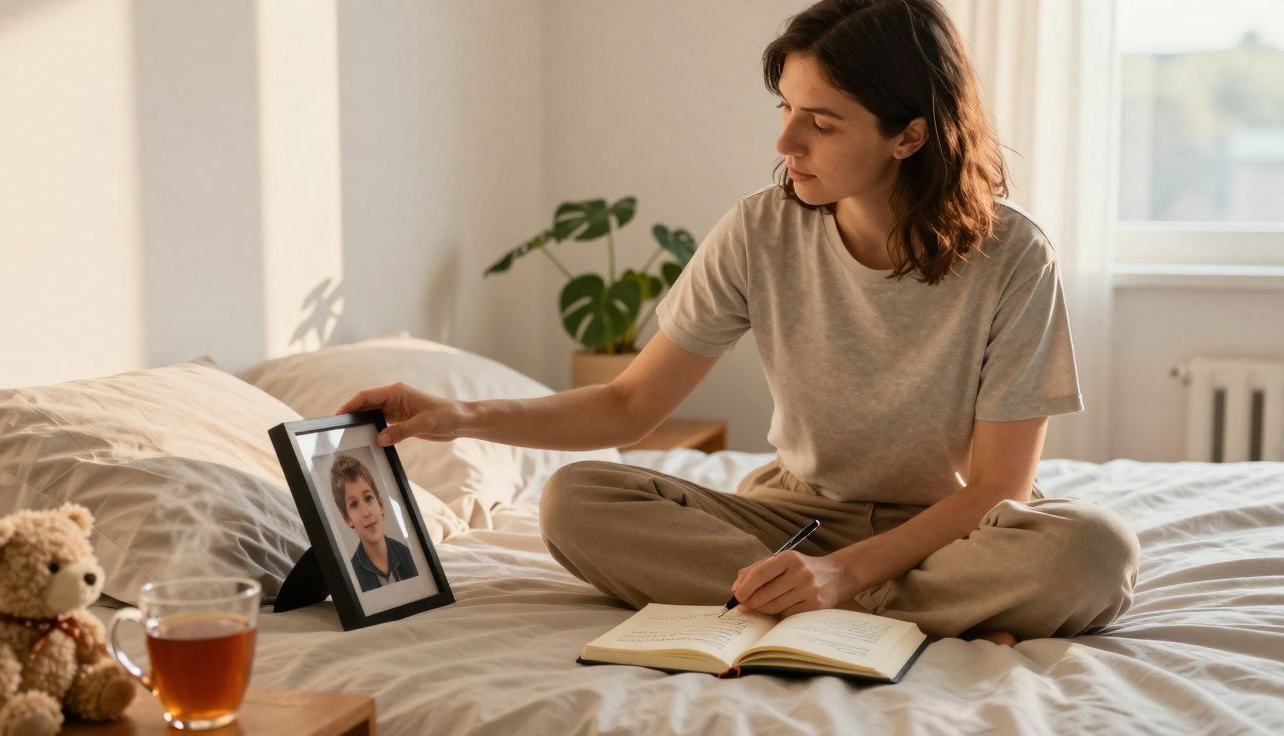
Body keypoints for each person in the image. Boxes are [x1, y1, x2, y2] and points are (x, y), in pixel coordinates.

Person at [337, 0, 1139, 646]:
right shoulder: (760, 231)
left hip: (949, 529)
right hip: (792, 517)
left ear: (910, 134)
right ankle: (910, 614)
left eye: (821, 121)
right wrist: (459, 416)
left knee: (1095, 553)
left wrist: (845, 575)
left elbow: (1000, 487)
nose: (785, 140)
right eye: (787, 107)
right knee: (574, 502)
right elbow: (627, 408)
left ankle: (831, 605)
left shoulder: (1014, 254)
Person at [329, 454, 417, 592]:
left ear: (381, 504)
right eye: (354, 504)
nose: (366, 513)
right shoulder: (352, 574)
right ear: (347, 519)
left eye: (368, 498)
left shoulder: (406, 555)